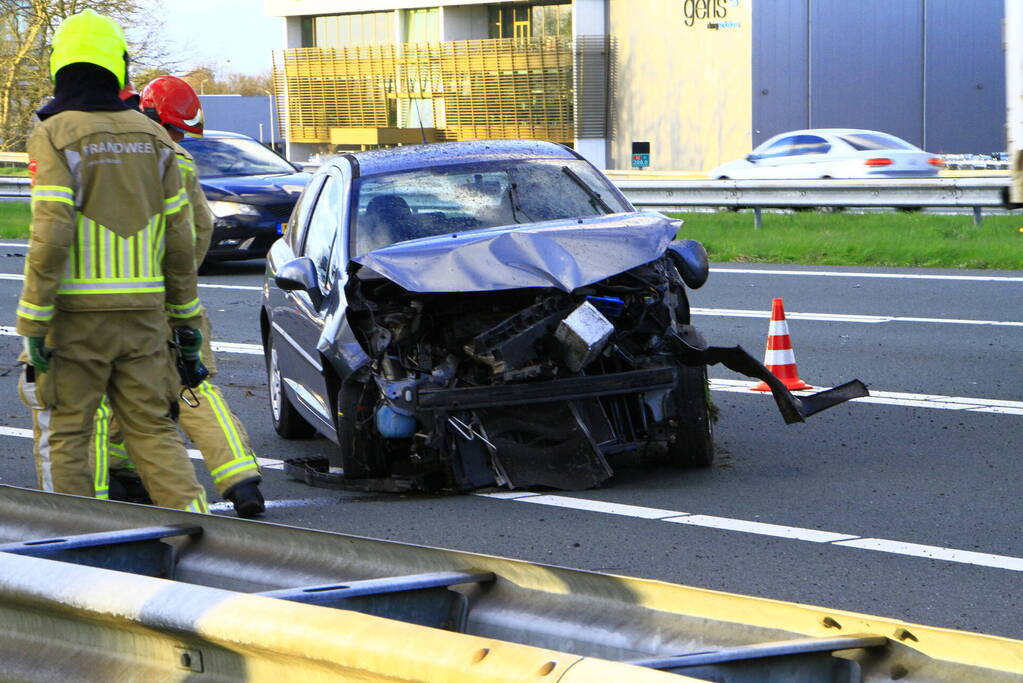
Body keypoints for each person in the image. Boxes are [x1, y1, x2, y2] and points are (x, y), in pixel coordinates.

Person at [15, 9, 208, 513]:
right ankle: (204, 537)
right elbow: (181, 239)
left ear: (59, 64)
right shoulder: (155, 137)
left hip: (75, 322)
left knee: (69, 433)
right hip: (144, 320)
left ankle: (79, 545)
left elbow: (51, 233)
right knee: (153, 431)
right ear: (117, 65)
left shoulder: (55, 133)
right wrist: (185, 322)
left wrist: (32, 323)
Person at [92, 75, 265, 517]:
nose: (178, 138)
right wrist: (182, 284)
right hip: (172, 297)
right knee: (193, 384)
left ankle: (107, 483)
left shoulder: (105, 152)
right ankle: (241, 479)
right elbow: (198, 230)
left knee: (112, 389)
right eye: (177, 129)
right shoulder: (179, 159)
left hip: (118, 300)